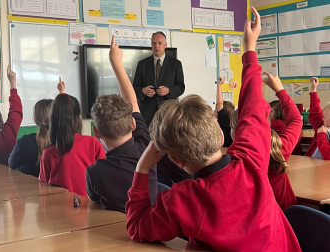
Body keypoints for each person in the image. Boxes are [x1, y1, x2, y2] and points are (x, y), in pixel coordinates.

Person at [124, 7, 301, 251]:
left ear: (173, 159)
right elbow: (251, 107)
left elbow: (137, 227)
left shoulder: (183, 200)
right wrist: (249, 50)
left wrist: (143, 167)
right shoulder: (250, 159)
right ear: (220, 134)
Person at [86, 35, 158, 213]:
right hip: (149, 230)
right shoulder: (146, 149)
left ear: (96, 132)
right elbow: (133, 102)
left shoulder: (94, 173)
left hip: (114, 236)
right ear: (133, 124)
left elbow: (94, 207)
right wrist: (116, 63)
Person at [39, 79, 105, 197]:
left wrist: (61, 92)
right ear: (79, 118)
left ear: (52, 122)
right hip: (91, 212)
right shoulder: (93, 143)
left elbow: (43, 191)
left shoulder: (47, 154)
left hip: (58, 213)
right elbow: (104, 180)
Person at [263, 72, 302, 211]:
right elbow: (296, 120)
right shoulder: (278, 149)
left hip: (258, 223)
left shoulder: (235, 159)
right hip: (286, 216)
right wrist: (280, 90)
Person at [133, 32, 185, 126]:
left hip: (168, 112)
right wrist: (143, 90)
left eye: (160, 43)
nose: (156, 46)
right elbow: (135, 87)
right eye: (154, 43)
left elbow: (181, 87)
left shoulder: (176, 64)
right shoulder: (142, 64)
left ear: (165, 45)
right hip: (147, 114)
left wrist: (169, 90)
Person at [8, 99, 53, 177]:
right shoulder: (65, 142)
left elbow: (11, 164)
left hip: (28, 187)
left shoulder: (24, 142)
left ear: (36, 119)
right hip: (59, 188)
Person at [305, 77, 330, 160]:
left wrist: (321, 136)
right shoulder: (323, 126)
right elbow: (315, 112)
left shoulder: (322, 130)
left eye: (325, 116)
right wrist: (313, 90)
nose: (322, 118)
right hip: (311, 163)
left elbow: (328, 155)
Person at [215, 76, 235, 147]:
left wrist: (219, 85)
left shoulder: (223, 119)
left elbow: (219, 103)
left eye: (215, 109)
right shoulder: (231, 122)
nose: (214, 111)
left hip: (224, 149)